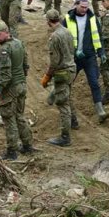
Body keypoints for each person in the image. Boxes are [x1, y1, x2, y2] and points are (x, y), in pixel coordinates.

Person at [0, 21, 34, 160]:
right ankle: (27, 146)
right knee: (19, 116)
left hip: (10, 88)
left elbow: (5, 75)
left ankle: (12, 151)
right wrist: (22, 80)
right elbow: (25, 65)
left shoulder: (4, 50)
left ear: (6, 32)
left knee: (9, 118)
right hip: (21, 85)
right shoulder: (19, 43)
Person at [62, 0, 109, 124]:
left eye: (86, 7)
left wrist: (101, 52)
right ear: (76, 5)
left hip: (89, 56)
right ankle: (56, 96)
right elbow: (62, 38)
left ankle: (100, 111)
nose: (84, 9)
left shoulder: (92, 18)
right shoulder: (67, 19)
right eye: (82, 7)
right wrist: (73, 51)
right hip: (74, 58)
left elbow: (98, 36)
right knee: (67, 81)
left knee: (94, 83)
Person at [41, 9, 77, 147]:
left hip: (62, 72)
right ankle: (74, 122)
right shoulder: (67, 32)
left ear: (48, 22)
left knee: (63, 104)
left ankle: (65, 137)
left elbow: (55, 61)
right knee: (67, 96)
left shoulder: (55, 37)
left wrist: (47, 76)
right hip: (71, 68)